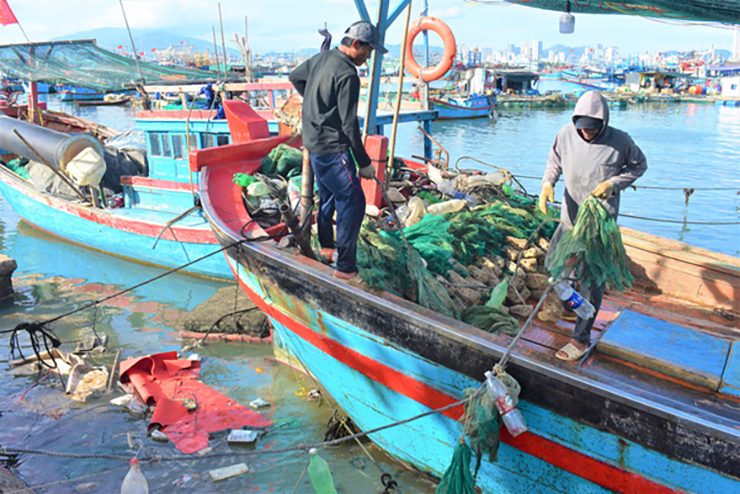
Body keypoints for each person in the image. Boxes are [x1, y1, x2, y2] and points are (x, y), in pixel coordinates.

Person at [538, 90, 647, 362]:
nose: (586, 133)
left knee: (590, 278)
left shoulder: (621, 142)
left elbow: (639, 166)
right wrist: (547, 183)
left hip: (599, 222)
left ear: (603, 123)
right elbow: (555, 161)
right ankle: (568, 305)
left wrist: (613, 184)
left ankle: (581, 338)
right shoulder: (565, 134)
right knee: (554, 265)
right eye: (581, 128)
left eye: (592, 128)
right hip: (570, 215)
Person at [289, 21, 387, 281]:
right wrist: (364, 161)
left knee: (330, 196)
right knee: (354, 201)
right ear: (356, 44)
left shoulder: (322, 58)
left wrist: (315, 106)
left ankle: (327, 247)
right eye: (368, 50)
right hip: (333, 148)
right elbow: (349, 124)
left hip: (313, 143)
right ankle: (345, 267)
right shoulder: (348, 75)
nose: (369, 56)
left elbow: (295, 77)